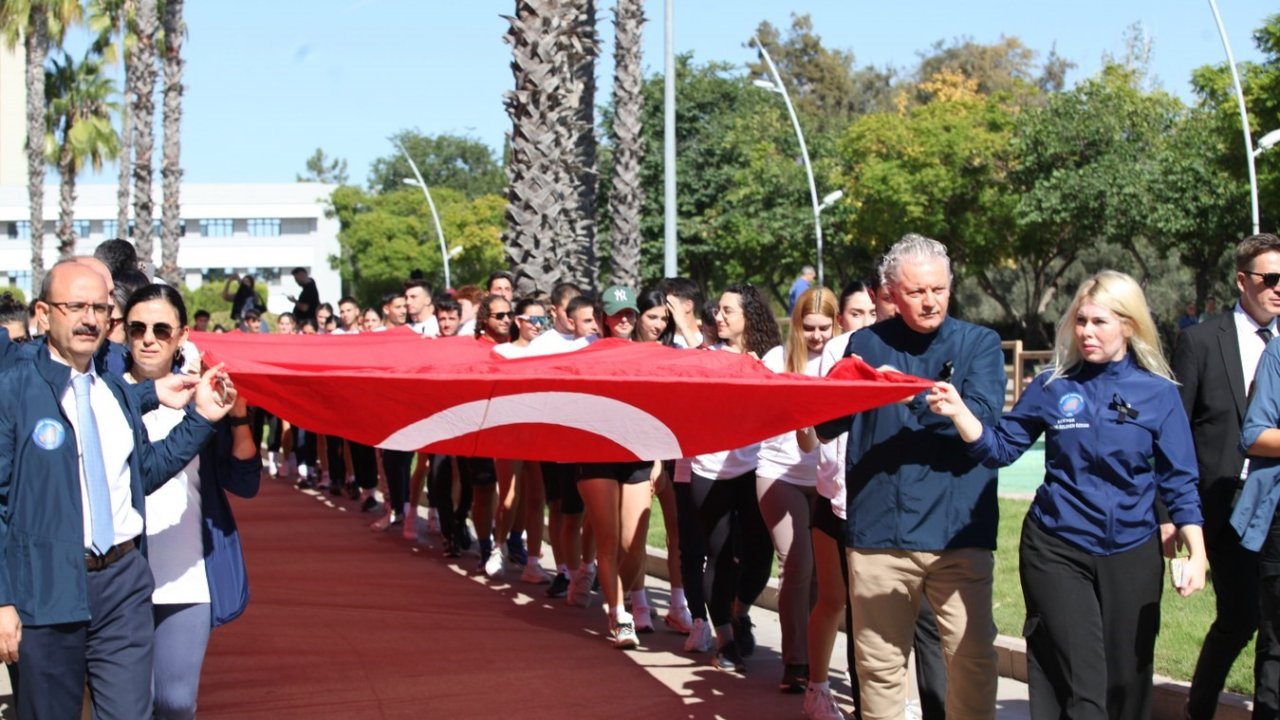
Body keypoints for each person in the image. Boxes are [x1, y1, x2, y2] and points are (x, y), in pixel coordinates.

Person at [930, 269, 1206, 720]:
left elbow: (1180, 480)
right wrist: (960, 412)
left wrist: (1196, 552)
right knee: (1084, 684)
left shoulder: (1158, 394)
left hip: (1133, 548)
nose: (1087, 332)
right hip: (1057, 545)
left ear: (1129, 325)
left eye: (1100, 322)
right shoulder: (1052, 386)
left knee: (1127, 680)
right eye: (1081, 321)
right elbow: (1000, 449)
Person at [0, 259, 234, 718]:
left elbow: (143, 474)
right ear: (45, 315)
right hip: (47, 587)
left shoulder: (114, 394)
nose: (89, 319)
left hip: (124, 583)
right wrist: (3, 598)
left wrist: (201, 417)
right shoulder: (14, 391)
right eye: (75, 307)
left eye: (99, 309)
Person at [815, 234, 1005, 720]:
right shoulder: (863, 344)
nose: (930, 301)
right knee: (878, 667)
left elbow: (981, 423)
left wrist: (910, 396)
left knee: (974, 661)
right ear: (890, 294)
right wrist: (806, 392)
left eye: (939, 289)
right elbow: (825, 423)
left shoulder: (979, 344)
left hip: (960, 532)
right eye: (917, 291)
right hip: (879, 535)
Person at [123, 283, 261, 719]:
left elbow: (244, 482)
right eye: (137, 328)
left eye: (161, 329)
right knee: (130, 705)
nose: (149, 338)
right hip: (120, 579)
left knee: (177, 703)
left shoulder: (203, 393)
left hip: (188, 577)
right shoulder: (107, 394)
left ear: (181, 335)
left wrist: (235, 415)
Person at [1175, 233, 1280, 720]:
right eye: (1271, 279)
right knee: (1240, 618)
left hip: (1274, 500)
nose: (1279, 289)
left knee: (1274, 621)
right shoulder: (1200, 341)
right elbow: (1174, 431)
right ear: (1243, 281)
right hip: (1222, 500)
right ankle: (1199, 709)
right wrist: (1170, 514)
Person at [692, 283, 780, 673]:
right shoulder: (703, 359)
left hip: (757, 467)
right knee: (721, 556)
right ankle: (725, 638)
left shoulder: (772, 359)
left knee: (762, 554)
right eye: (719, 310)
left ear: (750, 315)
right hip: (708, 471)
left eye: (729, 310)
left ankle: (740, 608)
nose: (719, 316)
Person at [756, 285, 840, 692]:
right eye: (809, 327)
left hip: (824, 480)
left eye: (825, 327)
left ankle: (813, 659)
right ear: (796, 325)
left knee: (823, 579)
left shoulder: (842, 359)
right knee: (798, 563)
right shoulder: (778, 359)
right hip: (779, 474)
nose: (817, 336)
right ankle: (796, 663)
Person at [801, 278, 877, 720]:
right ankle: (817, 685)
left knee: (875, 606)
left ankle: (880, 699)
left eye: (872, 312)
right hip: (833, 495)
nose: (864, 321)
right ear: (840, 318)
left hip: (876, 497)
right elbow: (812, 437)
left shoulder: (889, 349)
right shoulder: (836, 353)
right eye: (856, 313)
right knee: (833, 599)